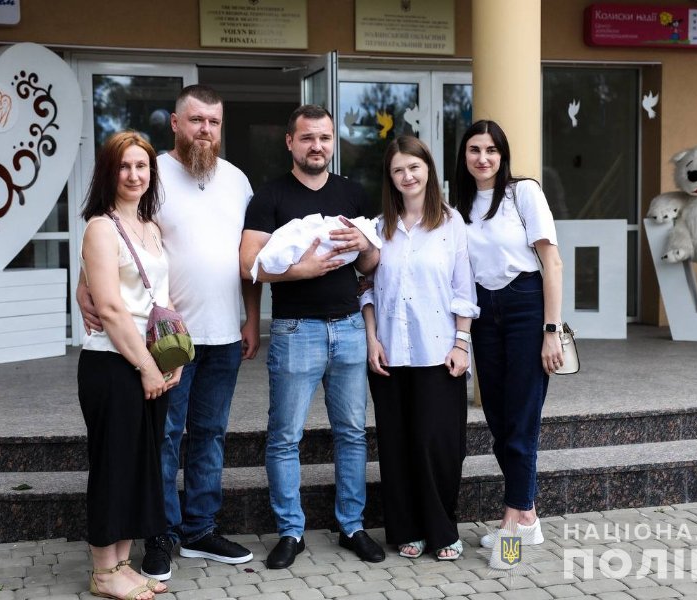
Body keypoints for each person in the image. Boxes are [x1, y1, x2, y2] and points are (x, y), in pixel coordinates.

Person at [78, 84, 261, 580]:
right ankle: (159, 533)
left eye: (213, 122)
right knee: (163, 439)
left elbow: (248, 257)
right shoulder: (151, 173)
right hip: (165, 343)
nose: (205, 130)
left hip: (224, 335)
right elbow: (113, 232)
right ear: (176, 124)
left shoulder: (238, 181)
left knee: (210, 435)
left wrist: (250, 316)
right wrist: (82, 286)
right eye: (196, 120)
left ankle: (200, 529)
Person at [239, 104, 385, 569]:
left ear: (332, 142)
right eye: (307, 138)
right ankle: (290, 532)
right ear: (290, 142)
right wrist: (301, 271)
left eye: (324, 137)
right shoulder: (269, 196)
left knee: (352, 434)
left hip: (349, 327)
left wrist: (366, 247)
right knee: (285, 436)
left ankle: (352, 526)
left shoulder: (354, 194)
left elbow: (370, 266)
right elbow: (248, 264)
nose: (316, 146)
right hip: (295, 330)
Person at [361, 136, 479, 560]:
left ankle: (442, 529)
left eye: (413, 167)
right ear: (390, 178)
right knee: (396, 445)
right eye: (398, 170)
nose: (407, 176)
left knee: (439, 445)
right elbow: (366, 289)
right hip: (390, 353)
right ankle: (406, 529)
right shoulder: (379, 228)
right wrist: (372, 339)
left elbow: (463, 289)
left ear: (428, 168)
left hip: (438, 352)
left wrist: (461, 344)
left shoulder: (451, 223)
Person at [451, 120, 563, 566]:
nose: (483, 158)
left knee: (521, 421)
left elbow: (552, 262)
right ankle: (528, 516)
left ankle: (512, 531)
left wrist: (551, 330)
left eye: (492, 150)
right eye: (475, 149)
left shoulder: (523, 193)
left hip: (525, 309)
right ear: (464, 155)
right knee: (499, 422)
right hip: (483, 313)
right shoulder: (458, 206)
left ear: (503, 155)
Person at [78, 131, 173, 600]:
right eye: (124, 166)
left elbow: (162, 299)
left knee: (139, 467)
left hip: (149, 361)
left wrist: (172, 359)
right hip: (114, 364)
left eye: (142, 166)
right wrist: (147, 368)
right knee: (114, 467)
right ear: (108, 173)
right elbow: (112, 309)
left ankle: (121, 564)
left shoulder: (150, 226)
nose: (134, 175)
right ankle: (102, 572)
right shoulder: (100, 227)